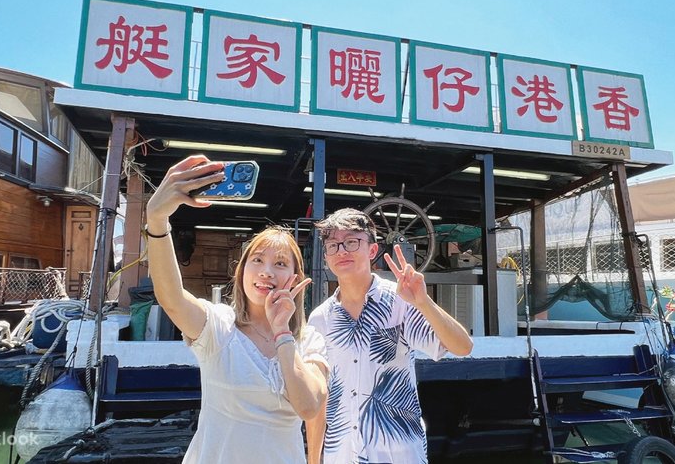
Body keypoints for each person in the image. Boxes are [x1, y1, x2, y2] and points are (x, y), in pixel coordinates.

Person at [146, 155, 328, 464]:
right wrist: (157, 221)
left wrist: (283, 333)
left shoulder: (310, 341)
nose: (266, 271)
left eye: (280, 263)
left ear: (295, 279)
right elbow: (172, 299)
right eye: (257, 260)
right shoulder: (219, 327)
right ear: (242, 272)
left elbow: (309, 407)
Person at [306, 208, 473, 464]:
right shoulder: (320, 318)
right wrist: (313, 459)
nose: (341, 251)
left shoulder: (401, 301)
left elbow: (463, 347)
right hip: (341, 455)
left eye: (351, 242)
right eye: (333, 245)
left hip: (399, 453)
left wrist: (424, 302)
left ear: (372, 250)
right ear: (326, 257)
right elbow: (319, 398)